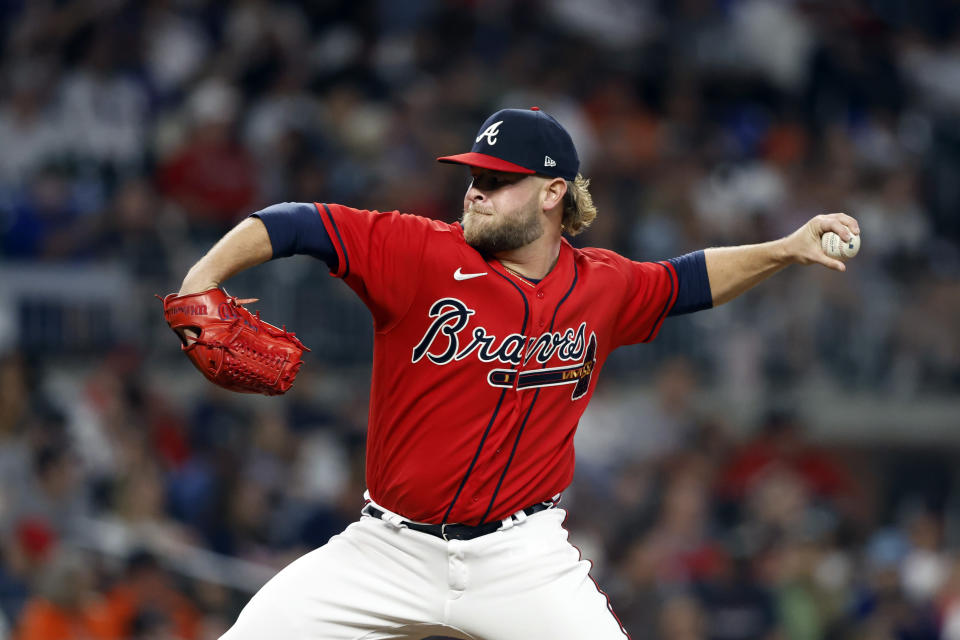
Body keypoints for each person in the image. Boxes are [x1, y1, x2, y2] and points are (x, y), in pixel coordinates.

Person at [175, 107, 860, 639]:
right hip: (387, 548)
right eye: (474, 178)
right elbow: (294, 222)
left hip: (521, 557)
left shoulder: (603, 286)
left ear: (552, 192)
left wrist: (785, 248)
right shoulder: (415, 251)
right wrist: (203, 276)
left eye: (498, 182)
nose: (476, 193)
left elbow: (688, 281)